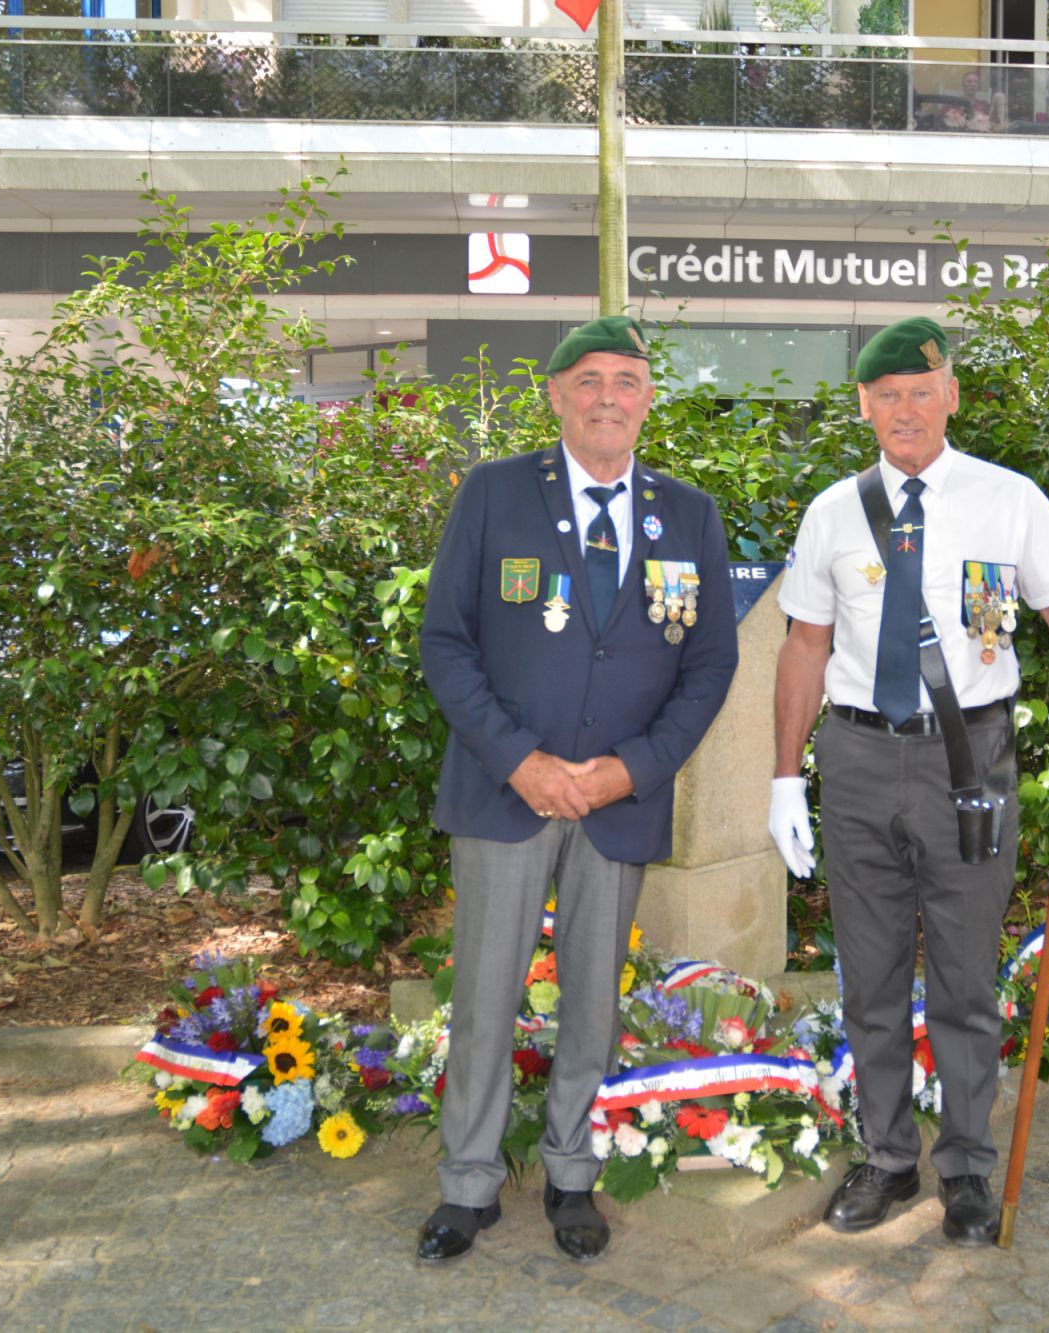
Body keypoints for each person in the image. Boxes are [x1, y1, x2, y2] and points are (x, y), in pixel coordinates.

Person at [767, 316, 1049, 1246]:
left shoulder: (1011, 501)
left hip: (970, 761)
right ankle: (887, 1156)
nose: (905, 410)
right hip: (856, 759)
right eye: (887, 395)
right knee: (870, 975)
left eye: (922, 392)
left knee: (963, 977)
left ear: (951, 396)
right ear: (863, 407)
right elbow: (804, 646)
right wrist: (784, 778)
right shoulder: (833, 513)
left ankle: (965, 1165)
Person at [417, 316, 738, 1265]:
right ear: (556, 393)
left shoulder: (690, 514)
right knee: (485, 995)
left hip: (616, 802)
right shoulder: (494, 492)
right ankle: (467, 1184)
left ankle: (571, 1172)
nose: (608, 396)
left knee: (593, 1001)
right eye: (588, 379)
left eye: (626, 380)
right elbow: (446, 642)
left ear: (648, 399)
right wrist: (522, 760)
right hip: (506, 793)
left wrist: (631, 768)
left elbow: (710, 665)